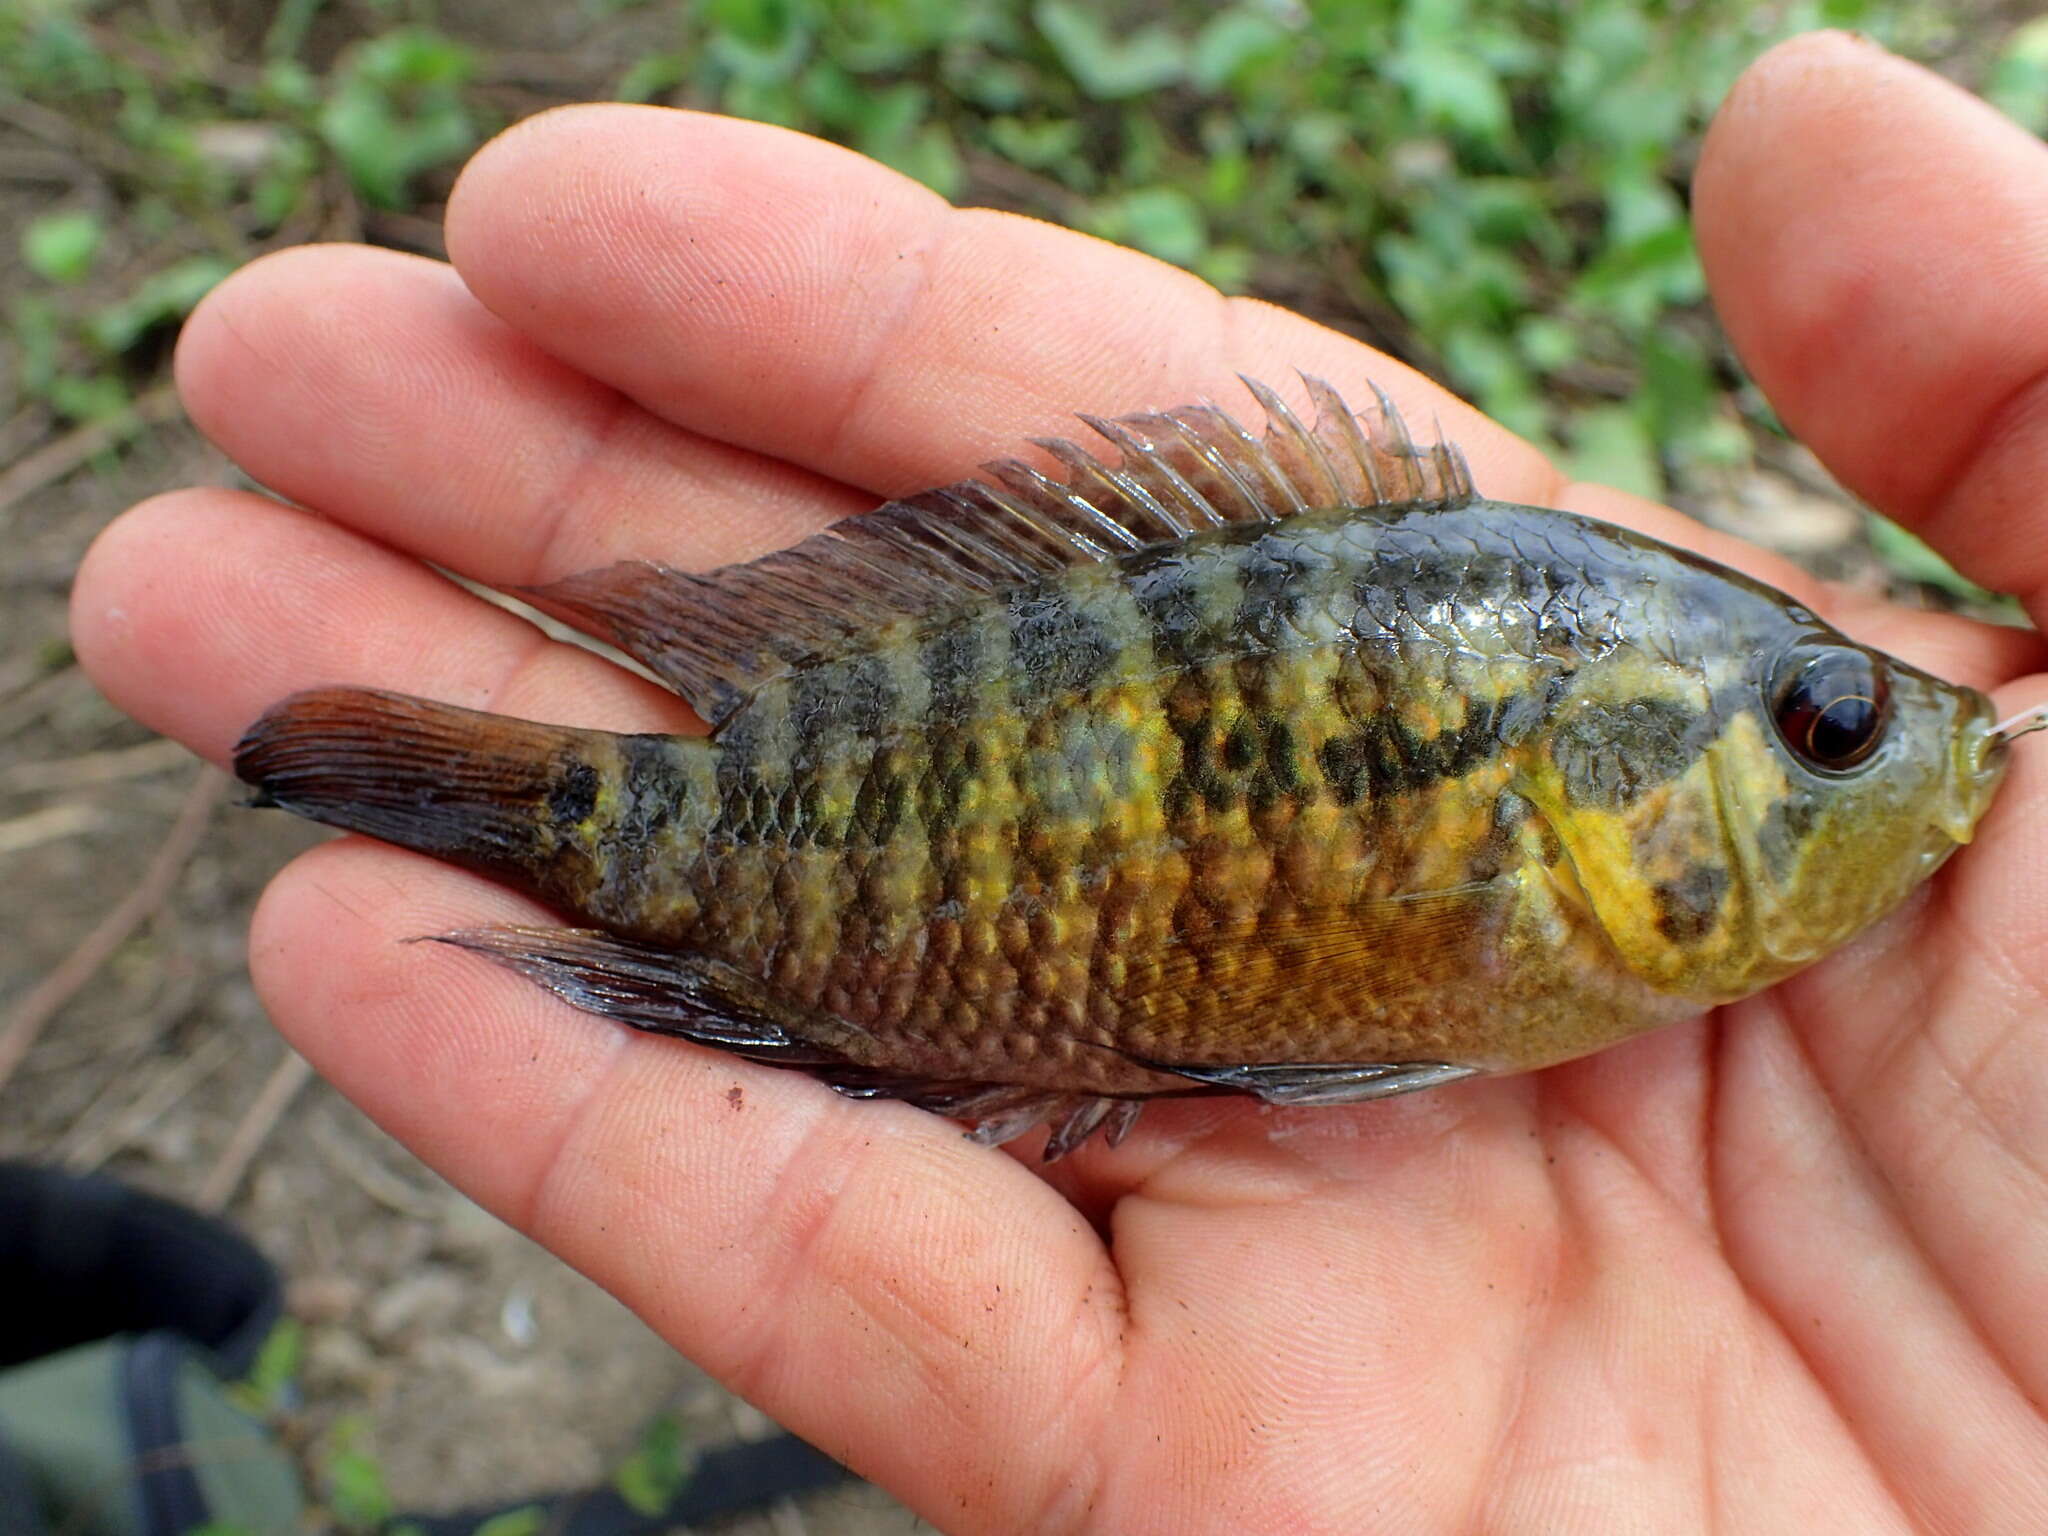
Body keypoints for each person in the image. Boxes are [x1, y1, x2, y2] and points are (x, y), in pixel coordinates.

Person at [69, 30, 2048, 1532]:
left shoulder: (1585, 926)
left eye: (1826, 723)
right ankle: (578, 828)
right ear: (1596, 774)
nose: (1887, 751)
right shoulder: (1539, 905)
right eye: (1818, 728)